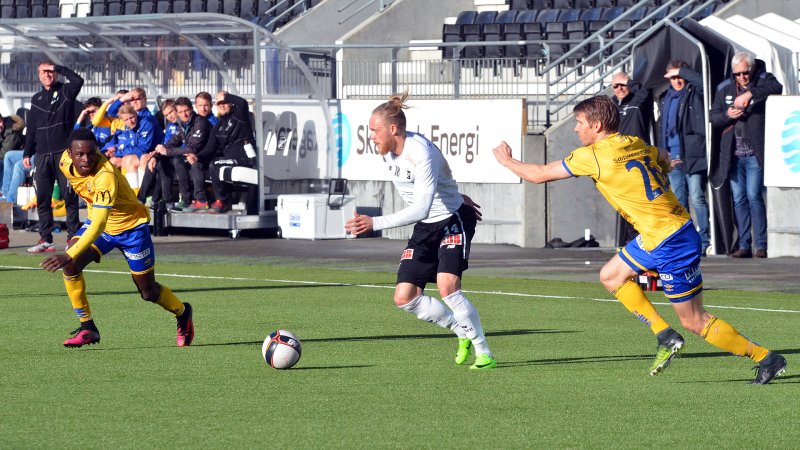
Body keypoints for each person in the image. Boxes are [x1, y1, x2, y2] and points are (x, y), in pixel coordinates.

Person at [492, 95, 786, 384]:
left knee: (694, 321)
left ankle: (766, 358)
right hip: (662, 232)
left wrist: (507, 160)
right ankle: (664, 335)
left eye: (579, 122)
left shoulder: (592, 155)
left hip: (671, 240)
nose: (575, 128)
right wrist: (667, 166)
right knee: (611, 276)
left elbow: (539, 174)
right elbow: (662, 156)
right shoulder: (632, 142)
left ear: (596, 125)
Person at [344, 92, 496, 370]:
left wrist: (374, 223)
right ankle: (460, 330)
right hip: (426, 228)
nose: (372, 137)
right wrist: (455, 191)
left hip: (452, 220)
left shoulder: (421, 153)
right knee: (404, 297)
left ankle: (484, 353)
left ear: (393, 129)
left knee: (447, 287)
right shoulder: (388, 153)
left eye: (375, 130)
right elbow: (436, 185)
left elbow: (421, 208)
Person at [39, 128, 194, 348]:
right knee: (71, 266)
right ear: (69, 153)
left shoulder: (106, 176)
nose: (86, 159)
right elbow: (96, 220)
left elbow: (100, 222)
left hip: (131, 230)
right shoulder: (64, 163)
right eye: (80, 154)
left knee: (147, 292)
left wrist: (68, 252)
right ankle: (87, 328)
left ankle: (183, 311)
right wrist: (71, 256)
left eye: (91, 153)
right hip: (100, 228)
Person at [710, 52, 783, 259]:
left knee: (753, 196)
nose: (742, 77)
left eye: (745, 72)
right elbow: (714, 117)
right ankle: (744, 244)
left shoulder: (763, 79)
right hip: (732, 153)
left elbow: (777, 88)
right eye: (738, 74)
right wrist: (727, 115)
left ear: (751, 69)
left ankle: (761, 244)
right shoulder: (724, 87)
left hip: (754, 151)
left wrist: (750, 94)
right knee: (739, 199)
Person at [23, 60, 83, 253]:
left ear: (55, 73)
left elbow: (78, 80)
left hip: (63, 154)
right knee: (42, 198)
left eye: (50, 71)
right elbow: (31, 128)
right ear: (38, 75)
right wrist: (27, 152)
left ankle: (73, 239)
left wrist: (59, 67)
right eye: (43, 72)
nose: (47, 75)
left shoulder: (66, 92)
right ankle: (45, 239)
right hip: (41, 156)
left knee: (69, 197)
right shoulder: (36, 98)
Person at [657, 60, 711, 256]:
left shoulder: (693, 93)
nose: (677, 81)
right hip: (672, 156)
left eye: (680, 76)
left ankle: (704, 241)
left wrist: (682, 71)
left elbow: (702, 84)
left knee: (697, 198)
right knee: (679, 201)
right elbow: (662, 128)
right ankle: (686, 243)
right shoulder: (665, 97)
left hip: (692, 154)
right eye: (672, 77)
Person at [185, 91, 256, 213]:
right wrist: (196, 156)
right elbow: (210, 147)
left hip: (244, 158)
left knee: (215, 164)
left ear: (230, 104)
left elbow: (243, 103)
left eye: (224, 103)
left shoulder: (239, 115)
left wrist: (227, 96)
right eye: (219, 104)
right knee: (209, 163)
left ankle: (221, 201)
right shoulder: (219, 124)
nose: (222, 105)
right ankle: (207, 200)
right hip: (229, 159)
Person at [611, 71, 653, 246]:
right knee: (624, 202)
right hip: (618, 161)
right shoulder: (612, 106)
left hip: (638, 160)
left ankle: (642, 238)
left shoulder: (637, 100)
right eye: (616, 86)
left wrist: (630, 82)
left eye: (623, 85)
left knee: (640, 200)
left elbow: (645, 93)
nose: (620, 89)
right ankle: (629, 240)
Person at [155, 97, 212, 212]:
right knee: (172, 160)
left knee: (193, 161)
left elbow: (193, 148)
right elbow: (174, 141)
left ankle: (201, 200)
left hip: (207, 156)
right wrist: (157, 154)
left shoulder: (200, 122)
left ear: (191, 109)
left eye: (186, 111)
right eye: (180, 112)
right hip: (193, 154)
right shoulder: (184, 124)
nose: (184, 114)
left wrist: (167, 151)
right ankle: (180, 200)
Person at [1, 114, 25, 189]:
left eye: (0, 121)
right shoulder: (3, 130)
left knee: (2, 162)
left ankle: (4, 190)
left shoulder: (12, 131)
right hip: (7, 156)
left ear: (2, 120)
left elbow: (5, 152)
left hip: (21, 155)